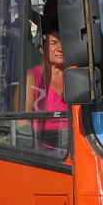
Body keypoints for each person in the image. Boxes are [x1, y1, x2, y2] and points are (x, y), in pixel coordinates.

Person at [24, 16, 68, 148]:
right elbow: (22, 122)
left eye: (64, 42)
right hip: (44, 151)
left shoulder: (78, 74)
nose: (60, 48)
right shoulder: (31, 78)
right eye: (54, 43)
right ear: (41, 49)